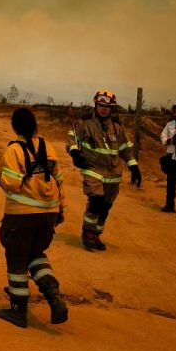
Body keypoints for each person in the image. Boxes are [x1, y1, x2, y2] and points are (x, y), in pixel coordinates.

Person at [0, 107, 69, 328]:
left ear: (14, 126)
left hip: (22, 215)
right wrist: (61, 209)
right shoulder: (48, 147)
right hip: (48, 213)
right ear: (35, 125)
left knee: (17, 258)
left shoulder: (14, 150)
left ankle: (18, 310)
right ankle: (54, 296)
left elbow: (12, 184)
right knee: (36, 254)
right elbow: (59, 180)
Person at [66, 89, 141, 251]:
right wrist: (75, 153)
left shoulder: (117, 126)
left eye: (107, 106)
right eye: (101, 105)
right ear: (96, 105)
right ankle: (87, 233)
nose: (104, 109)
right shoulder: (85, 123)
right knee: (96, 201)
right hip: (92, 168)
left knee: (105, 206)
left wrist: (133, 166)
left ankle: (96, 234)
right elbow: (72, 137)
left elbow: (125, 148)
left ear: (111, 108)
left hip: (113, 173)